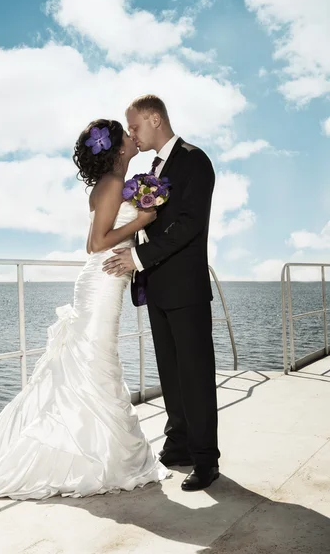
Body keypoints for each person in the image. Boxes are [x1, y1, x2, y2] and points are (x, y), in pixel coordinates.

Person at [0, 119, 170, 501]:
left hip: (104, 279)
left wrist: (138, 223)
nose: (132, 136)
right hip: (102, 280)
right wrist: (144, 218)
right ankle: (84, 456)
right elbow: (95, 244)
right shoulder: (111, 185)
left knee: (94, 362)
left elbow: (96, 239)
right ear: (117, 149)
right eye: (126, 134)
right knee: (94, 361)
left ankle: (89, 445)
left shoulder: (110, 185)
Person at [102, 96, 220, 491]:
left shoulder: (195, 160)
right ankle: (180, 443)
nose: (131, 133)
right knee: (171, 372)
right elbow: (149, 222)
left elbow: (188, 225)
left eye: (134, 126)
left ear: (155, 118)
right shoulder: (154, 168)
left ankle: (206, 460)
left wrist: (137, 256)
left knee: (196, 375)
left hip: (185, 286)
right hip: (157, 285)